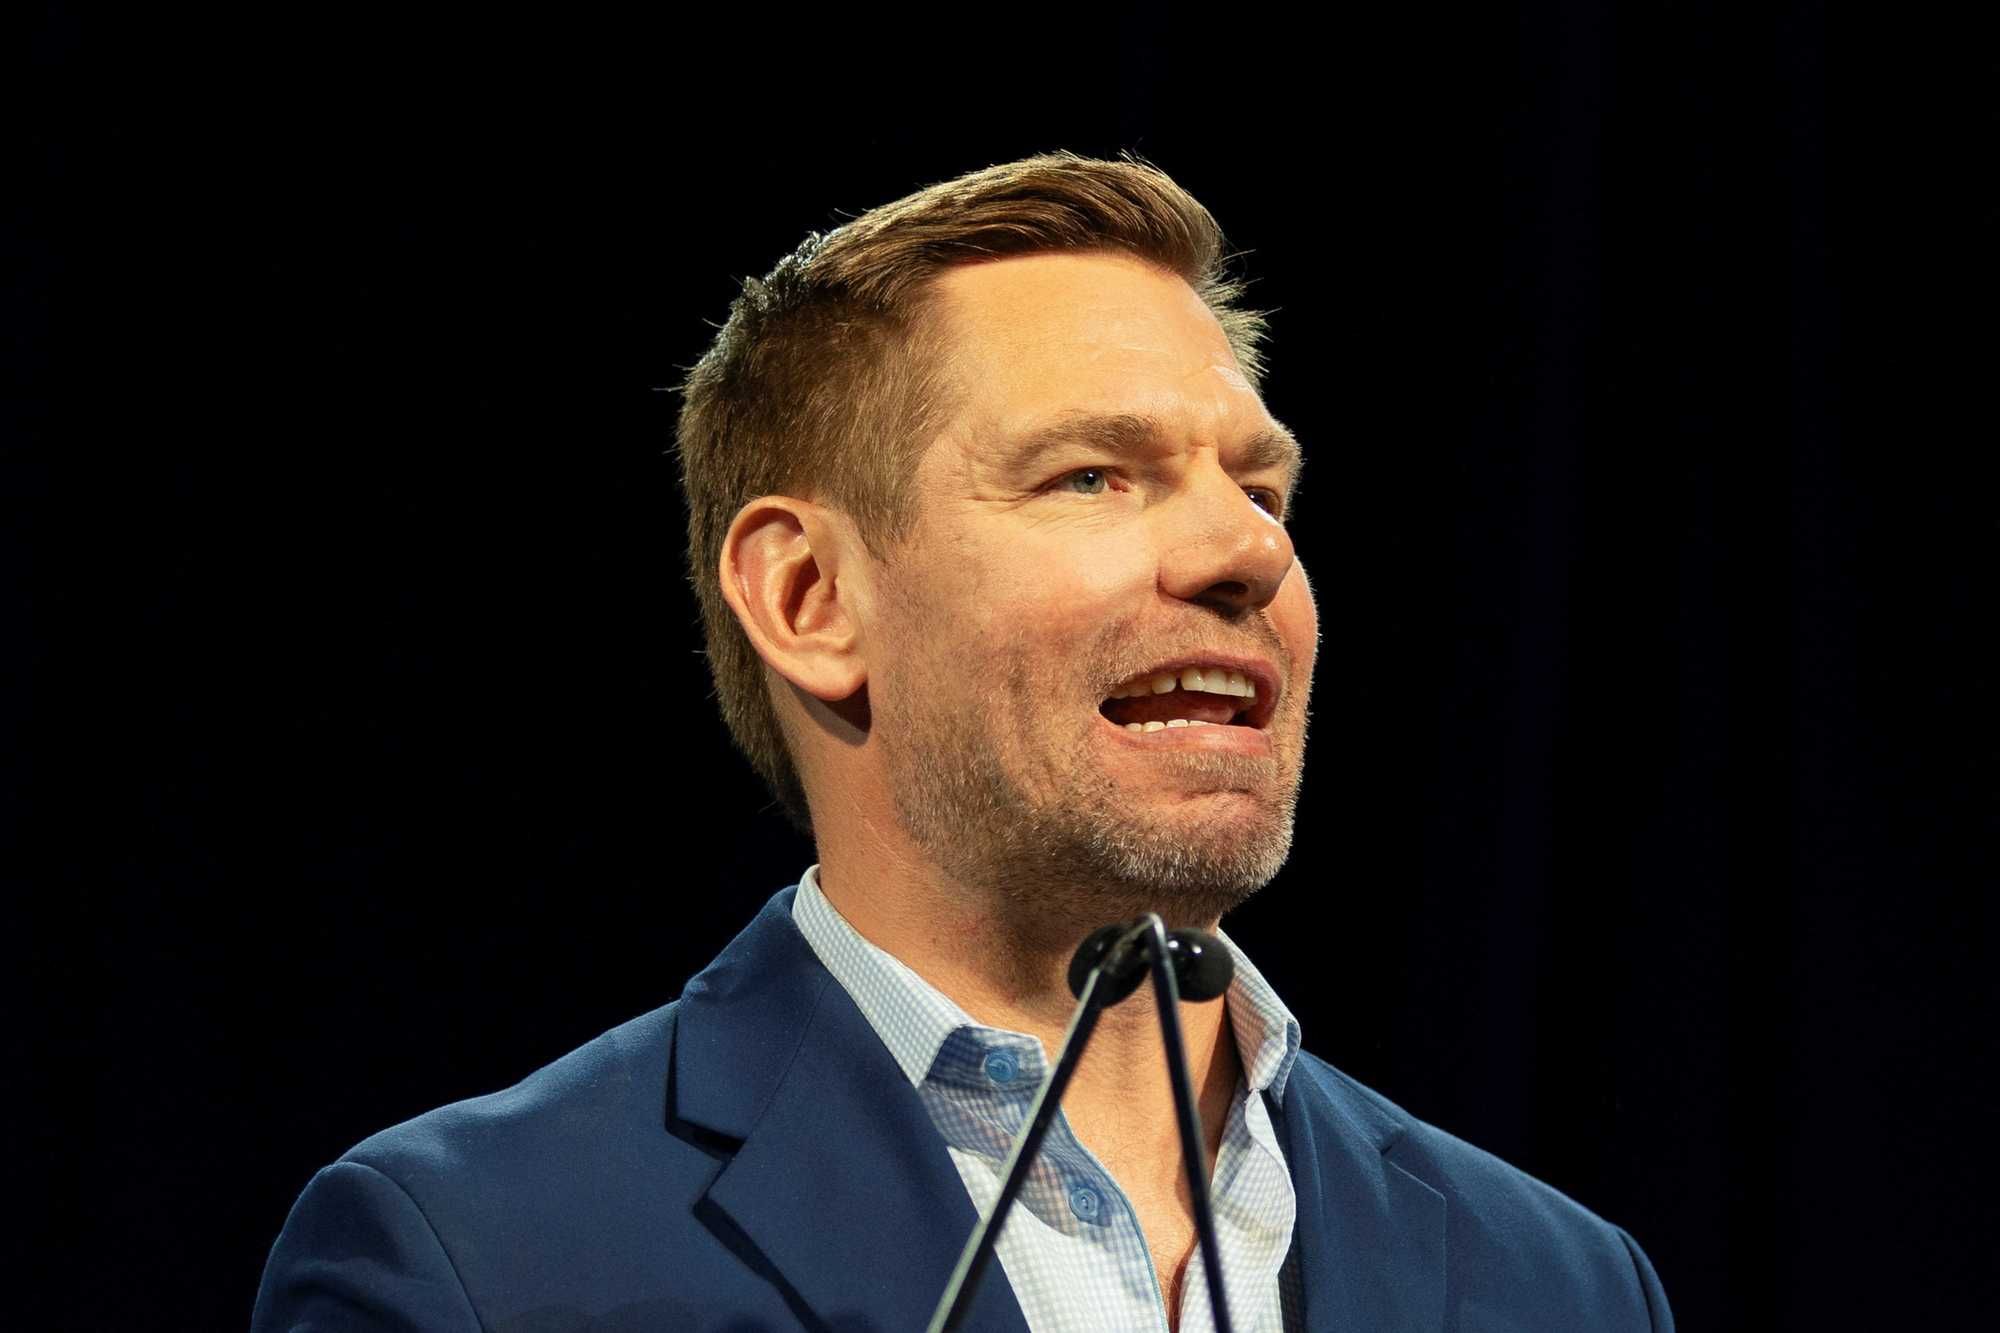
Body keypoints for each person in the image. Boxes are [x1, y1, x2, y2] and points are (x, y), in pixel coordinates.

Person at [252, 154, 1673, 1331]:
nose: (1249, 552)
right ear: (811, 598)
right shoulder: (482, 1264)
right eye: (1093, 475)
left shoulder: (1559, 1285)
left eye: (1262, 489)